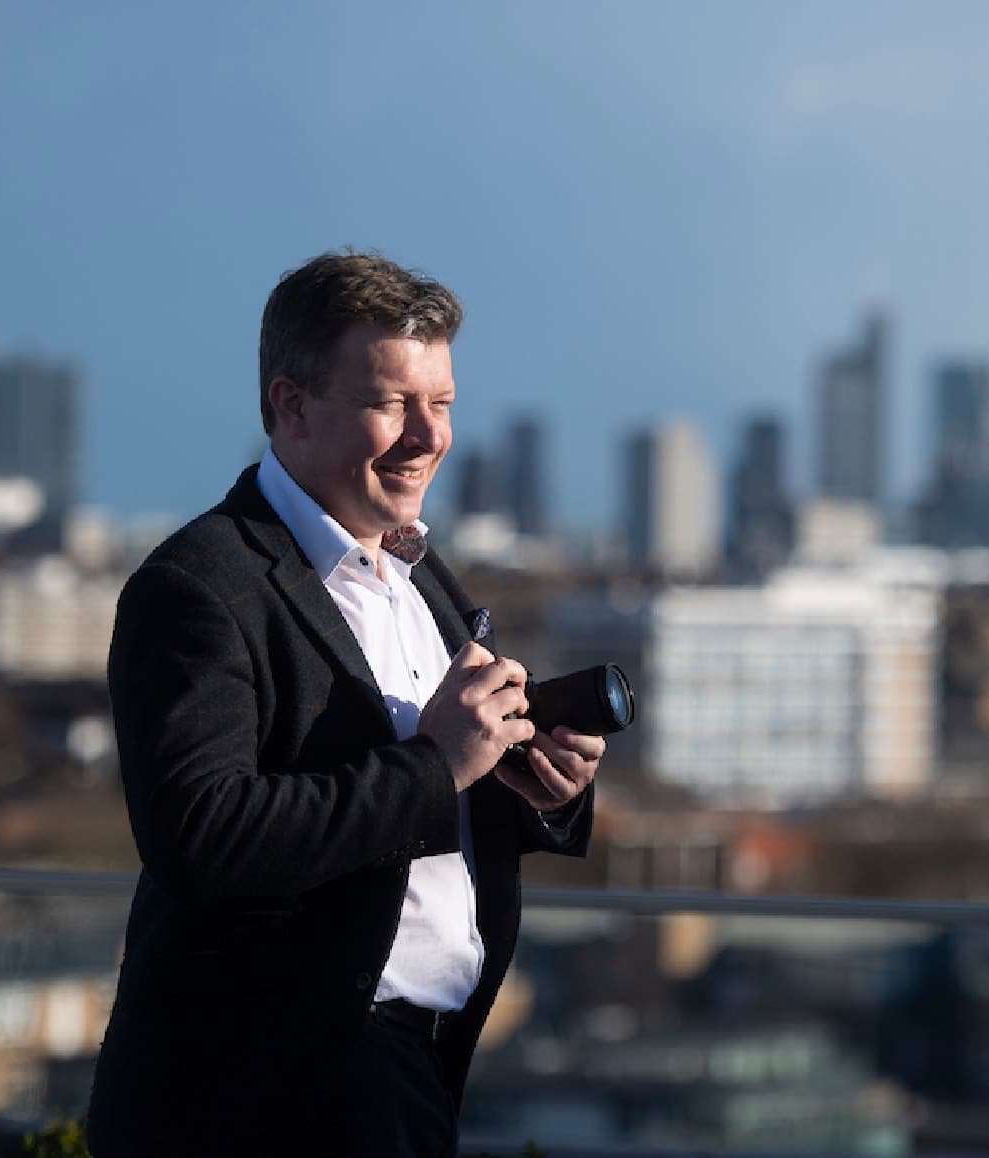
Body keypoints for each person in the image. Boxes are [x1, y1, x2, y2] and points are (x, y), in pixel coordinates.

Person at [86, 252, 603, 1157]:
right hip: (265, 1096)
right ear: (290, 406)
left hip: (411, 1068)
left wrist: (541, 791)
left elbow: (426, 797)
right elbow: (203, 836)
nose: (427, 435)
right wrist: (437, 763)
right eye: (390, 403)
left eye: (440, 403)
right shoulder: (197, 586)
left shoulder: (415, 572)